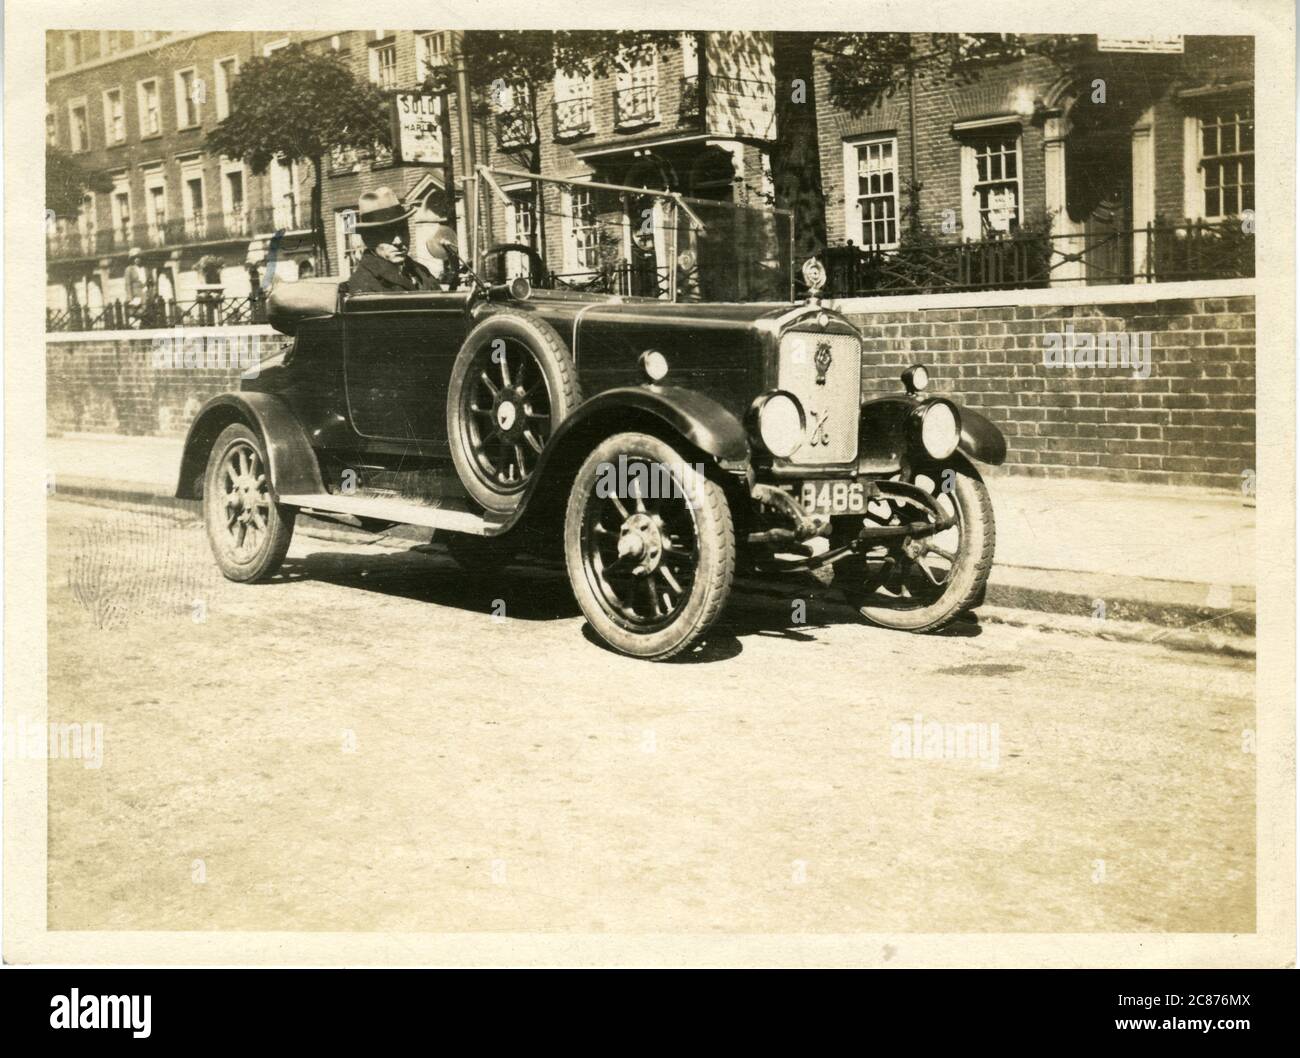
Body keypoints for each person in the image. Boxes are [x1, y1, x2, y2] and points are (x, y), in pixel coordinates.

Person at [343, 188, 439, 294]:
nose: (398, 241)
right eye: (387, 233)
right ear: (369, 239)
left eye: (403, 231)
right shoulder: (363, 283)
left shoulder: (421, 271)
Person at [124, 249, 149, 327]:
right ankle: (136, 327)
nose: (137, 259)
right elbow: (128, 284)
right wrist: (130, 298)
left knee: (146, 312)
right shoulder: (129, 269)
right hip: (136, 295)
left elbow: (150, 282)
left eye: (139, 257)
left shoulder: (145, 269)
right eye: (135, 257)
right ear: (132, 259)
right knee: (135, 314)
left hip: (145, 294)